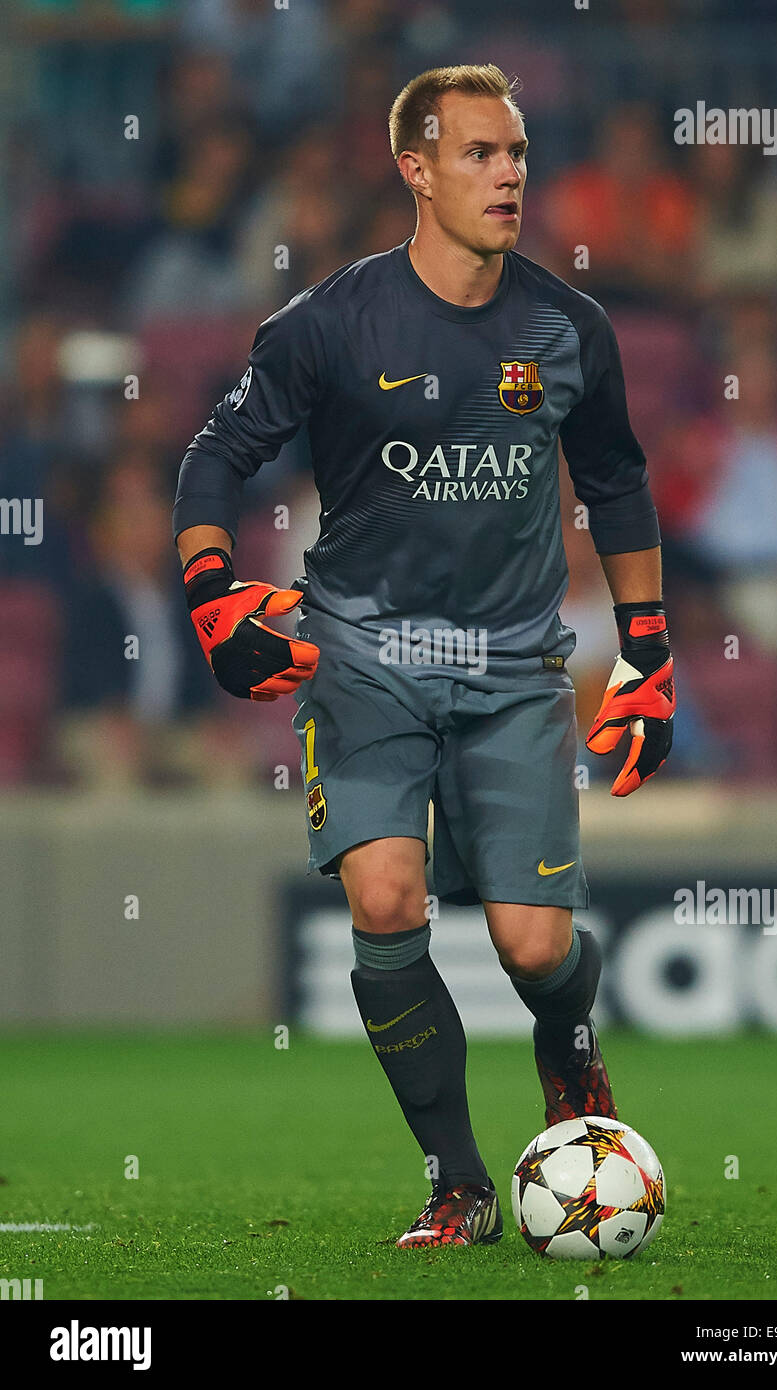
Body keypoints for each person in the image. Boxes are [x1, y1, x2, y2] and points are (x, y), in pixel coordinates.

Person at [173, 64, 676, 1248]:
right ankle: (457, 1184)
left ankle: (567, 1039)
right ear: (414, 167)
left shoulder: (568, 328)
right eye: (478, 154)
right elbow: (212, 457)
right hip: (364, 658)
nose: (508, 175)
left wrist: (648, 653)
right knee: (387, 899)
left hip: (513, 670)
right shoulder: (326, 325)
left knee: (531, 944)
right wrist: (207, 592)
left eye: (515, 154)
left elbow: (616, 482)